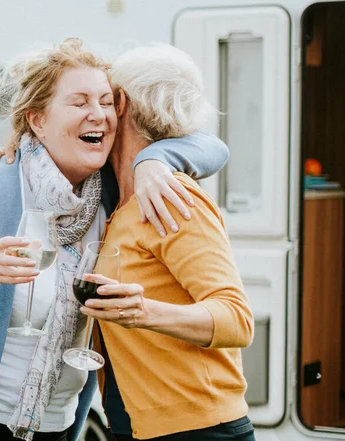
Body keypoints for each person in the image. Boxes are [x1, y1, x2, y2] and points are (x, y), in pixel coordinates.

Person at [0, 38, 228, 441]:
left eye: (106, 101)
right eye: (80, 102)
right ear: (38, 120)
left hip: (59, 426)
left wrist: (157, 159)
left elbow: (212, 146)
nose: (98, 115)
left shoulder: (110, 188)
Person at [81, 44, 256, 441]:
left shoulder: (170, 196)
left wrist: (142, 311)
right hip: (137, 424)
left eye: (106, 99)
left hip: (197, 428)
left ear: (121, 102)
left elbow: (236, 319)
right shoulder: (118, 196)